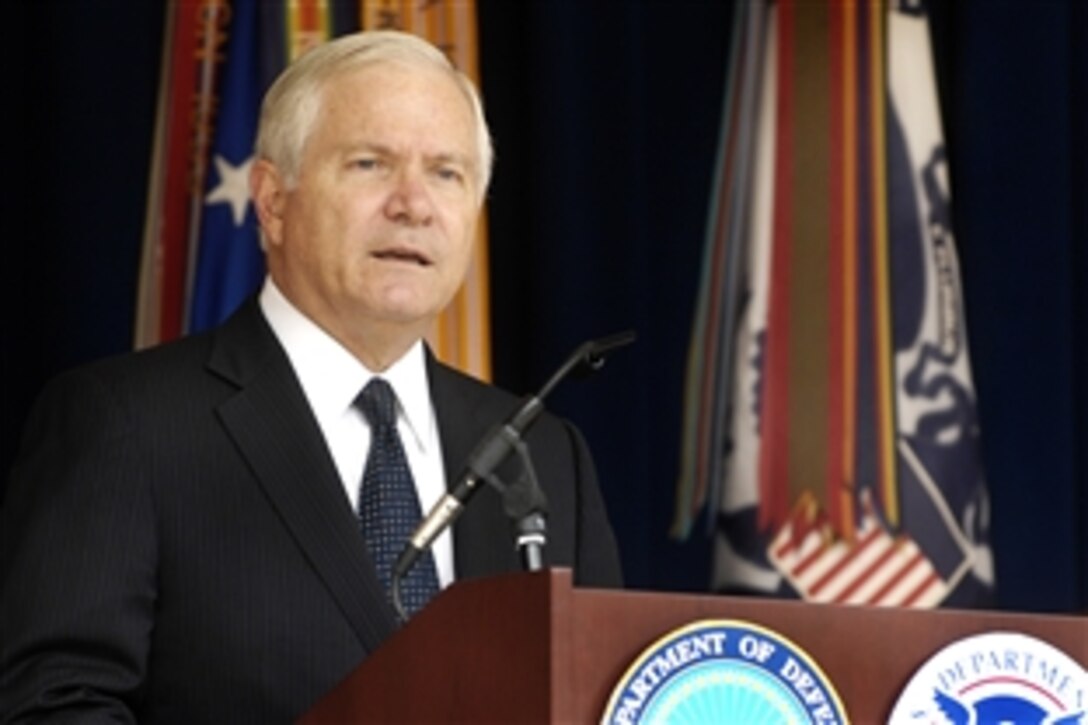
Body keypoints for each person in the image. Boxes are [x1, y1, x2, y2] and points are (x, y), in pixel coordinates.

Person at [0, 30, 622, 723]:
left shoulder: (543, 455)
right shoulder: (127, 425)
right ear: (271, 200)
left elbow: (601, 698)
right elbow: (55, 706)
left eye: (447, 173)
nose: (414, 204)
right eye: (369, 164)